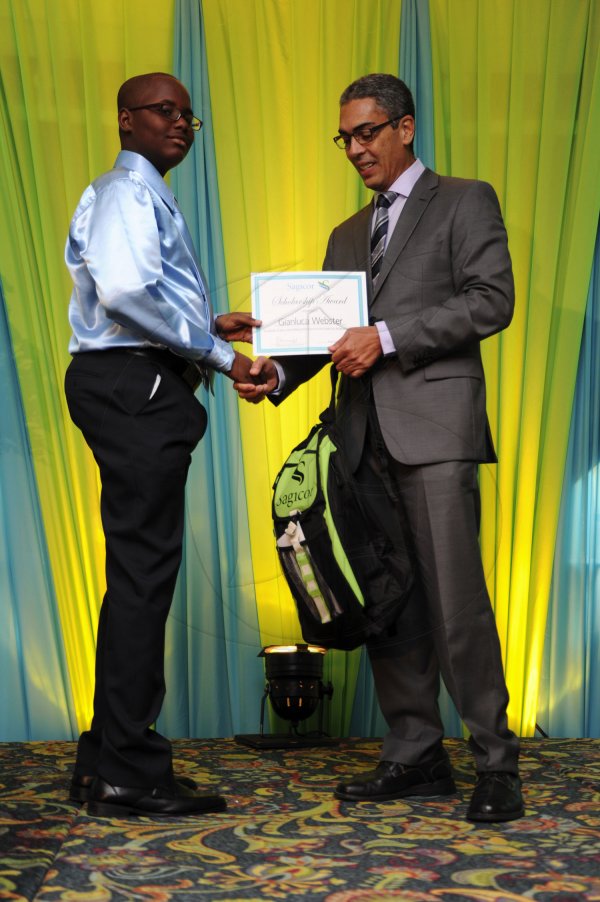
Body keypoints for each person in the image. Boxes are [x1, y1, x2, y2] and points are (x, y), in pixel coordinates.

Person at [236, 73, 523, 823]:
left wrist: (389, 337)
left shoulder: (465, 199)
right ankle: (415, 753)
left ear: (406, 128)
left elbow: (492, 299)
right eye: (346, 138)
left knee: (456, 604)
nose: (356, 149)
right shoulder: (343, 234)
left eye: (367, 133)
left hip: (434, 433)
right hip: (361, 444)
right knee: (388, 602)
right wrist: (273, 372)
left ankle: (495, 761)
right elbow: (325, 340)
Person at [64, 72, 260, 818]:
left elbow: (129, 296)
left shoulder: (141, 192)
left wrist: (209, 328)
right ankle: (130, 773)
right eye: (163, 111)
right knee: (145, 577)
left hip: (127, 380)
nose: (180, 123)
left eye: (188, 115)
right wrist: (222, 360)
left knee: (133, 577)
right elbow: (125, 295)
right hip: (132, 387)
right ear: (126, 120)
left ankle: (104, 757)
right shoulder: (126, 192)